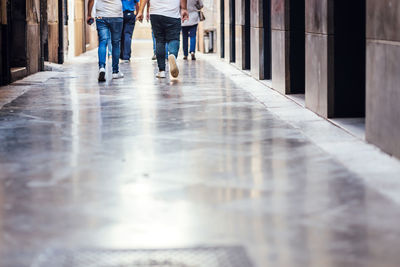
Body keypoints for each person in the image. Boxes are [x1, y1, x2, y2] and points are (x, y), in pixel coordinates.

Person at [137, 0, 189, 79]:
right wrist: (184, 8)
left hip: (156, 14)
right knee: (174, 39)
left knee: (159, 41)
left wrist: (140, 11)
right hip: (172, 14)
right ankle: (172, 55)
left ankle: (162, 71)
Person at [87, 0, 124, 82]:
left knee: (103, 41)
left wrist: (89, 14)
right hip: (116, 15)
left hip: (101, 16)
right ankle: (115, 71)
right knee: (115, 43)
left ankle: (102, 67)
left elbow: (91, 1)